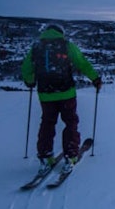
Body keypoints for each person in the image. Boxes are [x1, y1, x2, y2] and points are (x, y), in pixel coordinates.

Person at [21, 23, 101, 172]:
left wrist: (30, 81)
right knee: (70, 122)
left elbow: (26, 68)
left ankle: (45, 156)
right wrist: (95, 79)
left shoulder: (36, 47)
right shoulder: (66, 45)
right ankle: (71, 155)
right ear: (61, 33)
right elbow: (82, 63)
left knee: (47, 123)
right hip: (67, 93)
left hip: (45, 94)